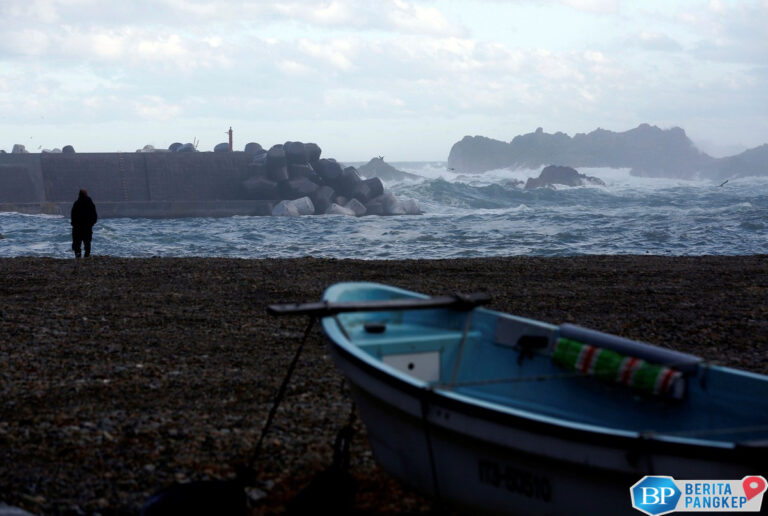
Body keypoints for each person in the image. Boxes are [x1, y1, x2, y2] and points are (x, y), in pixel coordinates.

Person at [70, 189, 97, 258]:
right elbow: (94, 214)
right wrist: (92, 223)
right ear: (86, 194)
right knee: (87, 242)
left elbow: (73, 215)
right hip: (87, 226)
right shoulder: (90, 203)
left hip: (77, 227)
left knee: (77, 243)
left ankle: (78, 256)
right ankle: (86, 256)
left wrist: (73, 224)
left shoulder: (76, 203)